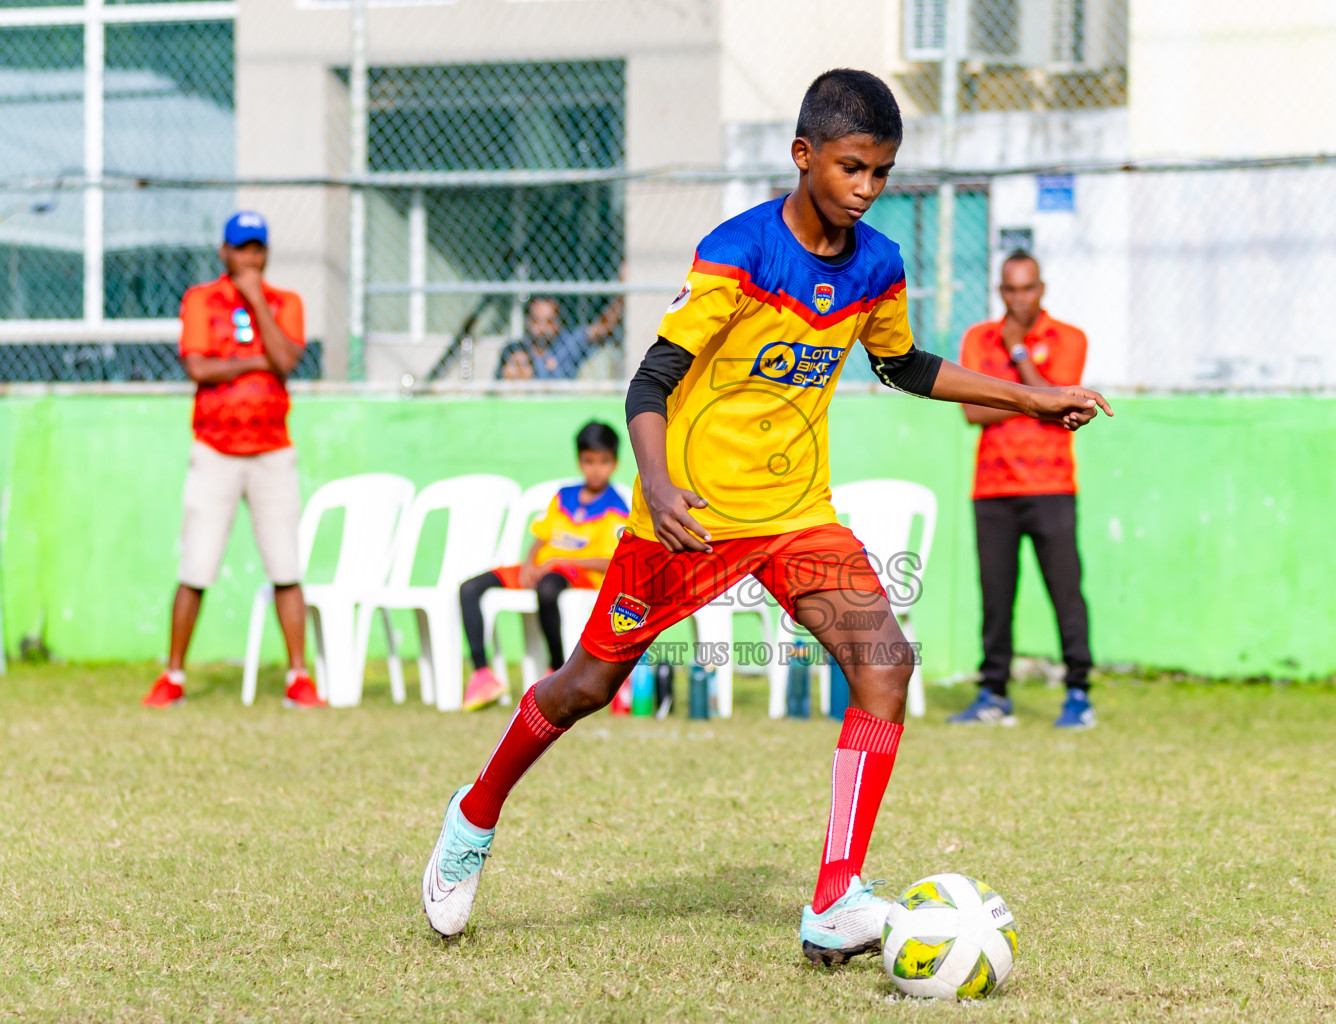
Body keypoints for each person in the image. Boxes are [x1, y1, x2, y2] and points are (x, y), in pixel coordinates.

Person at [419, 69, 1111, 962]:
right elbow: (651, 380)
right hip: (691, 515)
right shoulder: (737, 251)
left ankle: (833, 899)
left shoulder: (878, 265)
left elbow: (903, 365)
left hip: (795, 516)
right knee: (584, 687)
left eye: (883, 174)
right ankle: (473, 815)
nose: (866, 189)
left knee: (885, 664)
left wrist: (1031, 398)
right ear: (804, 155)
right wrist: (660, 486)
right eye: (852, 168)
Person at [141, 211, 323, 708]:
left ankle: (298, 678)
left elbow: (286, 359)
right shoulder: (202, 299)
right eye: (240, 249)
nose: (249, 258)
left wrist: (257, 301)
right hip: (215, 450)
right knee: (196, 564)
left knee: (285, 564)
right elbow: (199, 365)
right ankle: (173, 676)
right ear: (224, 251)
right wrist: (256, 361)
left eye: (257, 249)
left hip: (272, 452)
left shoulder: (285, 302)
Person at [949, 251, 1096, 730]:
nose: (1019, 299)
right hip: (992, 489)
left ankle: (1078, 694)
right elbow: (972, 411)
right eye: (1010, 290)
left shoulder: (1069, 338)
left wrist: (1017, 359)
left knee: (1065, 591)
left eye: (1028, 288)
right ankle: (994, 694)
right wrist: (1036, 399)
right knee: (995, 596)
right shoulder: (976, 338)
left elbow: (1060, 402)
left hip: (1051, 485)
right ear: (999, 292)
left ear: (1042, 288)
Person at [457, 422, 629, 711]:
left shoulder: (617, 507)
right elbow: (541, 536)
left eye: (603, 462)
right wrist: (527, 564)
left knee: (548, 588)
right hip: (543, 568)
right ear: (579, 461)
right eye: (588, 461)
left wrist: (564, 561)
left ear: (615, 463)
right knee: (470, 588)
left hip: (579, 574)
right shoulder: (563, 496)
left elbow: (611, 560)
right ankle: (482, 675)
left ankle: (558, 669)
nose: (595, 468)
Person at [499, 296, 622, 380]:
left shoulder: (567, 346)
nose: (543, 328)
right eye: (537, 321)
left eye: (549, 321)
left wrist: (621, 291)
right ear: (528, 322)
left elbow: (604, 328)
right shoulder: (517, 351)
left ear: (559, 323)